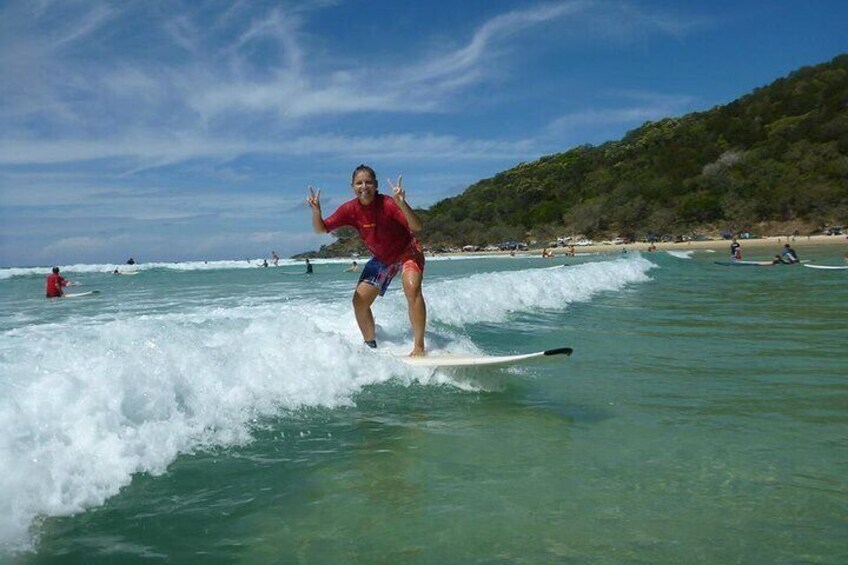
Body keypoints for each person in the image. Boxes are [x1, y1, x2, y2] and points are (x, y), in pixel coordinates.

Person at [307, 164, 426, 356]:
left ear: (376, 185)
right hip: (382, 258)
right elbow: (321, 229)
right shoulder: (349, 209)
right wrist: (315, 211)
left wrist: (402, 203)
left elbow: (417, 226)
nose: (364, 186)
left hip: (407, 251)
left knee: (412, 289)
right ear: (352, 186)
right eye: (359, 183)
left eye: (368, 182)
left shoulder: (388, 203)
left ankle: (419, 346)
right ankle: (371, 347)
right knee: (359, 301)